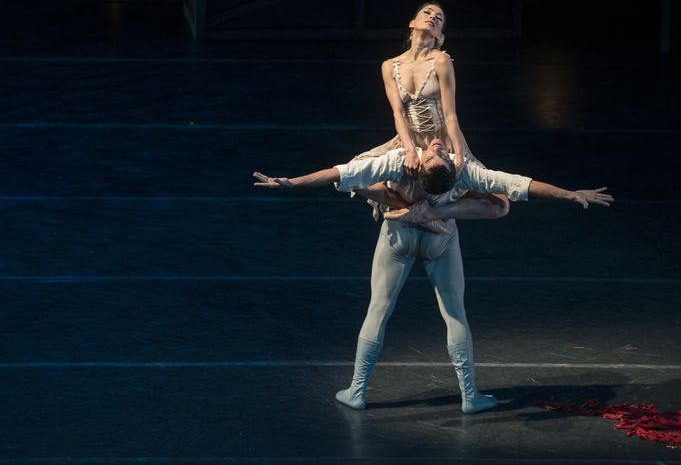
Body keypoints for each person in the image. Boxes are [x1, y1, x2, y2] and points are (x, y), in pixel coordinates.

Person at [253, 139, 613, 413]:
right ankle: (469, 394)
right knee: (454, 311)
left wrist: (291, 183)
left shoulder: (402, 161)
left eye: (435, 150)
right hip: (441, 235)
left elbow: (340, 173)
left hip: (399, 236)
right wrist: (569, 194)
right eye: (436, 149)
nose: (437, 144)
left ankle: (358, 391)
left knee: (379, 309)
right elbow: (521, 185)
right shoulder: (464, 170)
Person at [349, 2, 510, 227]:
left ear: (440, 33)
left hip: (443, 140)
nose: (433, 17)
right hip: (409, 138)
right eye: (427, 12)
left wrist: (460, 155)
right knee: (352, 176)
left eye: (440, 17)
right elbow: (398, 113)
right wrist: (409, 151)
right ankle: (407, 209)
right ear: (412, 23)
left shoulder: (441, 61)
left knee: (500, 203)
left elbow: (450, 114)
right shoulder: (389, 66)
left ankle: (431, 212)